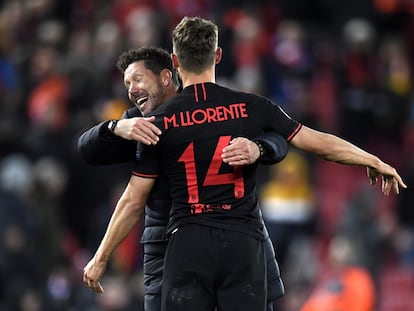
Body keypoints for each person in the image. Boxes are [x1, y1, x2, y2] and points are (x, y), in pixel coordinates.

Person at [83, 17, 406, 311]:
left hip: (187, 240)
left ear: (176, 62)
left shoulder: (158, 122)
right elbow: (317, 142)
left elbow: (133, 200)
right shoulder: (251, 107)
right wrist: (372, 159)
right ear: (218, 56)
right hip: (242, 240)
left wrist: (101, 257)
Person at [78, 47, 288, 311]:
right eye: (127, 84)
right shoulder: (140, 124)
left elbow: (279, 137)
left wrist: (259, 147)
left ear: (166, 77)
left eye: (138, 80)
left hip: (232, 239)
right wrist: (114, 127)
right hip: (167, 245)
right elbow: (88, 151)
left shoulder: (215, 109)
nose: (131, 90)